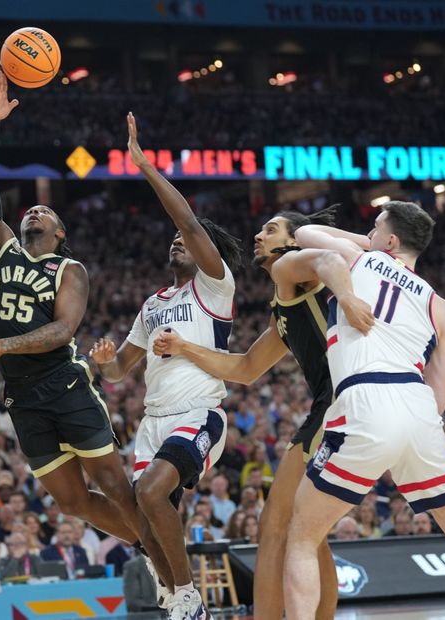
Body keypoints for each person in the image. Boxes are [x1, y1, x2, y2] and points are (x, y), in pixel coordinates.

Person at [0, 72, 171, 587]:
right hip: (22, 395)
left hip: (65, 384)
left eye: (46, 210)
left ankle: (176, 587)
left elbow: (61, 331)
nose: (35, 208)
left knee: (118, 490)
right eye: (31, 207)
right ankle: (148, 546)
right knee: (73, 502)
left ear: (60, 233)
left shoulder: (68, 271)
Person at [152, 205, 374, 620]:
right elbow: (248, 369)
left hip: (337, 403)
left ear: (294, 242)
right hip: (344, 404)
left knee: (274, 525)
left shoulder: (292, 269)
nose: (258, 235)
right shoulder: (284, 299)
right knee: (311, 531)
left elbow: (332, 255)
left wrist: (345, 287)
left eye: (270, 230)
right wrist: (186, 348)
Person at [284, 201, 445, 619]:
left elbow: (305, 234)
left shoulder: (360, 259)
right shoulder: (440, 305)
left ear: (390, 240)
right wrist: (410, 439)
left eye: (374, 227)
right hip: (419, 414)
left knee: (302, 533)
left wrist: (364, 245)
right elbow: (442, 381)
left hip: (365, 400)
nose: (367, 232)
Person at [89, 112, 245, 620]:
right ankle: (175, 596)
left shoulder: (215, 288)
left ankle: (186, 596)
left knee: (154, 492)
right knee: (142, 514)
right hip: (152, 422)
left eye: (185, 240)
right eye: (173, 241)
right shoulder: (153, 304)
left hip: (199, 412)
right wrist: (107, 365)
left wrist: (146, 167)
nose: (176, 241)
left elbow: (187, 221)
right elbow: (120, 376)